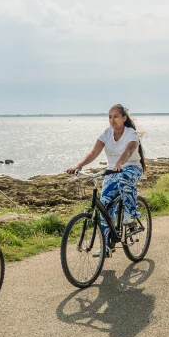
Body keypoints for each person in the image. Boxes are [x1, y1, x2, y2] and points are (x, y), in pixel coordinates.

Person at [67, 105, 145, 256]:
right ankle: (106, 246)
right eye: (110, 117)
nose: (112, 120)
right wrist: (78, 166)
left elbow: (129, 151)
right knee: (104, 207)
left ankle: (130, 214)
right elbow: (94, 152)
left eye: (116, 116)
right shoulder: (107, 133)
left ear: (124, 118)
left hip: (132, 168)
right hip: (112, 172)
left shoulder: (131, 133)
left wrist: (119, 163)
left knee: (124, 180)